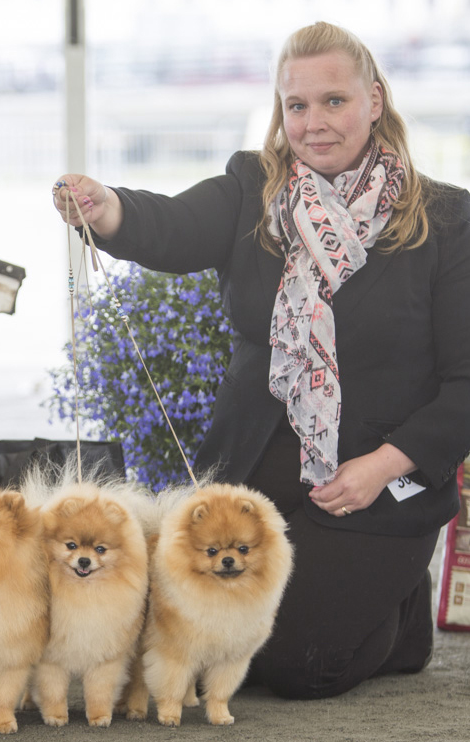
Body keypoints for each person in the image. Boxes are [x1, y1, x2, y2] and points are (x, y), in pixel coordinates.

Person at [52, 21, 470, 700]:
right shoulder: (253, 186)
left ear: (373, 100)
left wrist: (383, 465)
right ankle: (381, 600)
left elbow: (465, 385)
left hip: (375, 482)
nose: (312, 123)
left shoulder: (447, 222)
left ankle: (394, 618)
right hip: (254, 467)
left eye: (332, 101)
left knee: (291, 665)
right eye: (295, 105)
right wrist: (106, 208)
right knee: (186, 632)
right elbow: (171, 228)